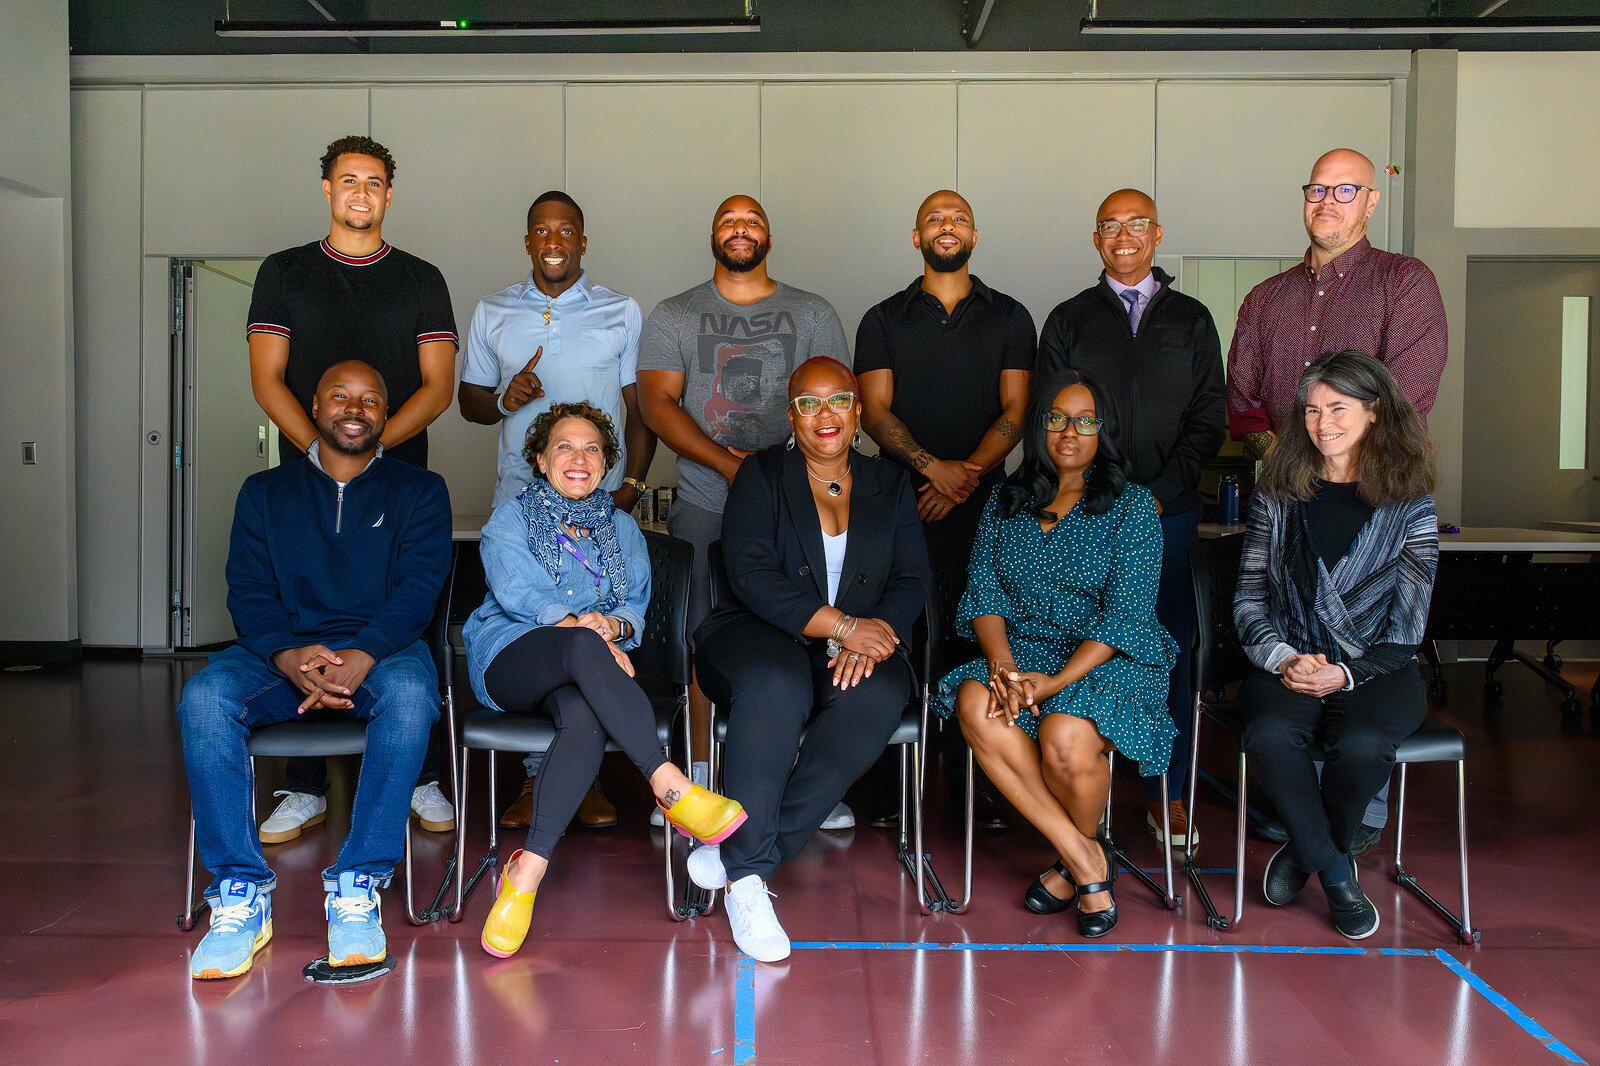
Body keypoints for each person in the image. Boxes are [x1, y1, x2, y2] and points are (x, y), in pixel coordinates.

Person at [178, 361, 451, 980]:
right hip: (280, 652)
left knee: (412, 697)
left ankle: (359, 882)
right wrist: (286, 655)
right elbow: (247, 591)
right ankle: (240, 893)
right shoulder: (264, 492)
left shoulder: (420, 490)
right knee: (204, 699)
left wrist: (364, 653)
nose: (354, 409)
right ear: (314, 405)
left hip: (383, 649)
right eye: (340, 397)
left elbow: (419, 589)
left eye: (371, 400)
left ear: (387, 414)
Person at [463, 402, 745, 959]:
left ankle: (527, 873)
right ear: (541, 460)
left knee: (583, 716)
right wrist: (588, 632)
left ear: (606, 465)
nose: (579, 458)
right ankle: (669, 784)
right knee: (581, 647)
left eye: (592, 449)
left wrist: (609, 627)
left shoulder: (621, 528)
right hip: (511, 657)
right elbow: (518, 596)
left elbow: (634, 609)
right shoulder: (509, 520)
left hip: (587, 667)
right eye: (564, 446)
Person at [1226, 148, 1445, 850]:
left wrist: (1344, 464)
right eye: (1317, 188)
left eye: (1345, 189)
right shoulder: (1266, 299)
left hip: (1378, 498)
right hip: (1290, 498)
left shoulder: (1403, 284)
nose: (1328, 200)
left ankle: (1334, 820)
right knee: (1281, 642)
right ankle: (1304, 816)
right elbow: (1244, 405)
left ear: (1372, 202)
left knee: (1363, 682)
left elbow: (1407, 398)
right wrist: (1297, 468)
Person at [247, 134, 458, 841]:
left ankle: (420, 775)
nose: (360, 192)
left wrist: (370, 451)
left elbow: (438, 387)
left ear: (389, 194)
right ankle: (304, 787)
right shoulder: (285, 272)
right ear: (328, 190)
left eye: (373, 181)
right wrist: (322, 450)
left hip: (399, 481)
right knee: (304, 611)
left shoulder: (422, 278)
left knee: (408, 617)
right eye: (347, 180)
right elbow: (267, 378)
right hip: (307, 480)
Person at [688, 358, 930, 962]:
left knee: (875, 695)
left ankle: (748, 852)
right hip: (757, 633)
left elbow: (911, 576)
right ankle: (747, 886)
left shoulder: (890, 483)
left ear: (856, 411)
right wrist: (843, 626)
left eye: (838, 401)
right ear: (790, 415)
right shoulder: (761, 476)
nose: (825, 415)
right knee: (775, 683)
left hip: (862, 640)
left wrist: (876, 634)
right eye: (808, 403)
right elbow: (750, 575)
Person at [637, 194, 856, 830]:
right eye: (729, 220)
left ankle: (801, 779)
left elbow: (834, 404)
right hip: (706, 505)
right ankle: (698, 786)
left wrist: (774, 481)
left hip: (803, 509)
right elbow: (658, 406)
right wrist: (735, 469)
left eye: (753, 220)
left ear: (769, 235)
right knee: (702, 639)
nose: (741, 228)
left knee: (804, 631)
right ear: (713, 235)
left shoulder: (811, 312)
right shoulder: (675, 314)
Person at [936, 367, 1177, 939]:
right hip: (1021, 649)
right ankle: (1084, 854)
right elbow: (984, 593)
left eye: (1085, 420)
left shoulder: (1133, 506)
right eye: (1057, 418)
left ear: (1105, 431)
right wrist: (1003, 667)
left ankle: (1076, 864)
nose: (1069, 431)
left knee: (1064, 735)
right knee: (978, 703)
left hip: (1109, 654)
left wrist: (1053, 682)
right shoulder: (1006, 499)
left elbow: (1127, 614)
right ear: (1040, 427)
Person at [458, 190, 656, 833]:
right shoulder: (492, 311)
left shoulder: (620, 311)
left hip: (602, 506)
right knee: (534, 620)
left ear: (582, 241)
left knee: (584, 626)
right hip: (521, 502)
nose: (553, 240)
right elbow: (470, 405)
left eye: (566, 230)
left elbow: (638, 407)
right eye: (541, 230)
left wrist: (631, 487)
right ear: (526, 241)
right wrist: (505, 396)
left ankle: (581, 779)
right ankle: (540, 778)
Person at [1037, 188, 1225, 852]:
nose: (1123, 235)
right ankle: (1080, 786)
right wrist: (1102, 495)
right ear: (1096, 240)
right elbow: (1054, 419)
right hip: (1089, 515)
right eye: (1109, 226)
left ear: (1157, 233)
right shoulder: (1069, 319)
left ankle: (1165, 794)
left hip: (1167, 517)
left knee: (1163, 650)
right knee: (1077, 644)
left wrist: (1158, 495)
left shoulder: (1193, 320)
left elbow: (1208, 419)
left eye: (1136, 224)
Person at [1232, 350, 1438, 941]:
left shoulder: (1410, 500)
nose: (1322, 423)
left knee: (1366, 743)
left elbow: (1408, 626)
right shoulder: (1278, 490)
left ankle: (1305, 853)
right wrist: (1284, 658)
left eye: (1338, 408)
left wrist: (1345, 674)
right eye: (1313, 409)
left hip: (1377, 667)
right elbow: (1248, 601)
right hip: (1288, 660)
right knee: (1268, 732)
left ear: (1374, 412)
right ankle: (1338, 874)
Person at [857, 189, 1033, 830]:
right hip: (900, 506)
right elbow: (873, 413)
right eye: (934, 218)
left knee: (975, 640)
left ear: (975, 233)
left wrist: (964, 478)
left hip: (986, 512)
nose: (946, 226)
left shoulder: (1010, 316)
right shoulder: (883, 318)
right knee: (892, 636)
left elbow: (1017, 414)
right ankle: (883, 790)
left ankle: (977, 786)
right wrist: (935, 471)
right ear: (915, 236)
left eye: (957, 217)